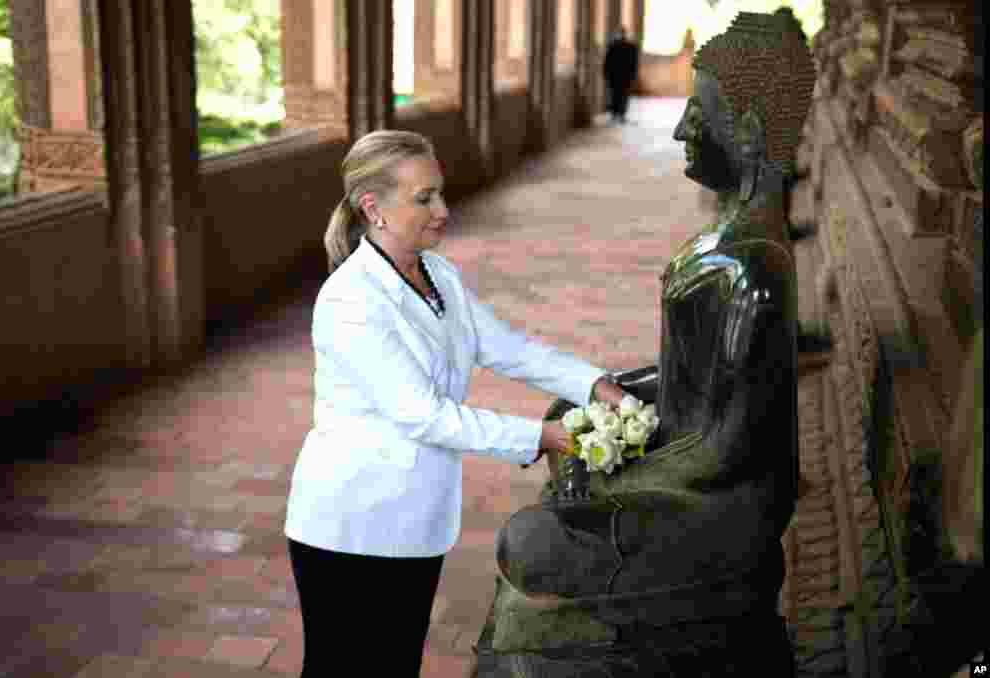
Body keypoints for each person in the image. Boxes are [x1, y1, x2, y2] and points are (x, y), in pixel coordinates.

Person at [484, 12, 816, 675]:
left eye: (701, 113)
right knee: (562, 424)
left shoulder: (754, 267)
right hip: (688, 470)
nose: (679, 128)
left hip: (722, 506)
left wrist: (613, 473)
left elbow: (729, 449)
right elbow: (679, 380)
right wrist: (595, 414)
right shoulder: (723, 243)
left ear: (747, 131)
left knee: (529, 539)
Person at [283, 129, 627, 677]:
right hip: (352, 523)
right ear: (373, 208)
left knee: (394, 665)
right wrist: (542, 436)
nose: (443, 210)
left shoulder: (437, 273)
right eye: (424, 198)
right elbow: (424, 414)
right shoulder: (352, 300)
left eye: (439, 193)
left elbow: (504, 347)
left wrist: (593, 384)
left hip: (413, 518)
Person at [602, 27, 640, 123]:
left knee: (620, 95)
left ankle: (619, 114)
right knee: (619, 95)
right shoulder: (616, 46)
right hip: (618, 76)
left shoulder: (622, 46)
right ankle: (617, 114)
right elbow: (608, 61)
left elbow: (634, 63)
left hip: (620, 76)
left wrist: (606, 74)